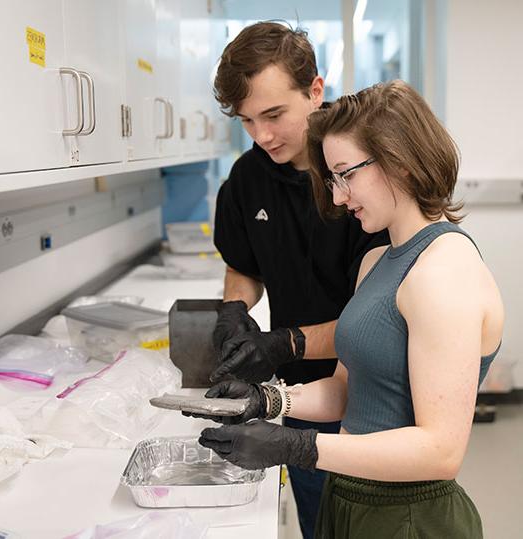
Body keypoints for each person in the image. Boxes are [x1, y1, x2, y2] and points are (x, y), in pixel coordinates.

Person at [195, 80, 504, 538]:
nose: (338, 198)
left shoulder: (444, 272)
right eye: (332, 179)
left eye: (346, 175)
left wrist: (298, 446)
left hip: (408, 516)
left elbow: (440, 451)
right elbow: (347, 390)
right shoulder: (379, 260)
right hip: (350, 498)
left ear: (398, 161)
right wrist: (268, 399)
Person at [209, 21, 389, 539]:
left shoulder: (364, 180)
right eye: (246, 121)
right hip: (304, 395)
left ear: (315, 91)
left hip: (374, 398)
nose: (262, 135)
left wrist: (283, 344)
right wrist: (234, 314)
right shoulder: (248, 178)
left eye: (273, 114)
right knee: (318, 521)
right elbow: (244, 265)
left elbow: (378, 319)